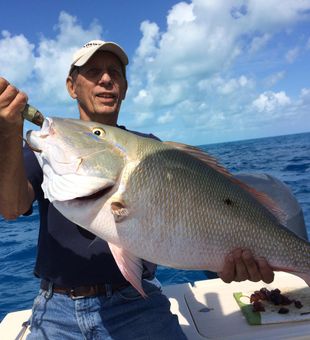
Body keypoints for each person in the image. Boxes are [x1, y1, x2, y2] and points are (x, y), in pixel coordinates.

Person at [0, 40, 276, 339]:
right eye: (94, 71)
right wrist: (8, 133)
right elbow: (11, 208)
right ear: (71, 86)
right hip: (57, 309)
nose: (106, 79)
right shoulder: (48, 150)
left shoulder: (153, 151)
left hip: (136, 303)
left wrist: (230, 262)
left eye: (115, 73)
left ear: (125, 88)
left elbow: (197, 222)